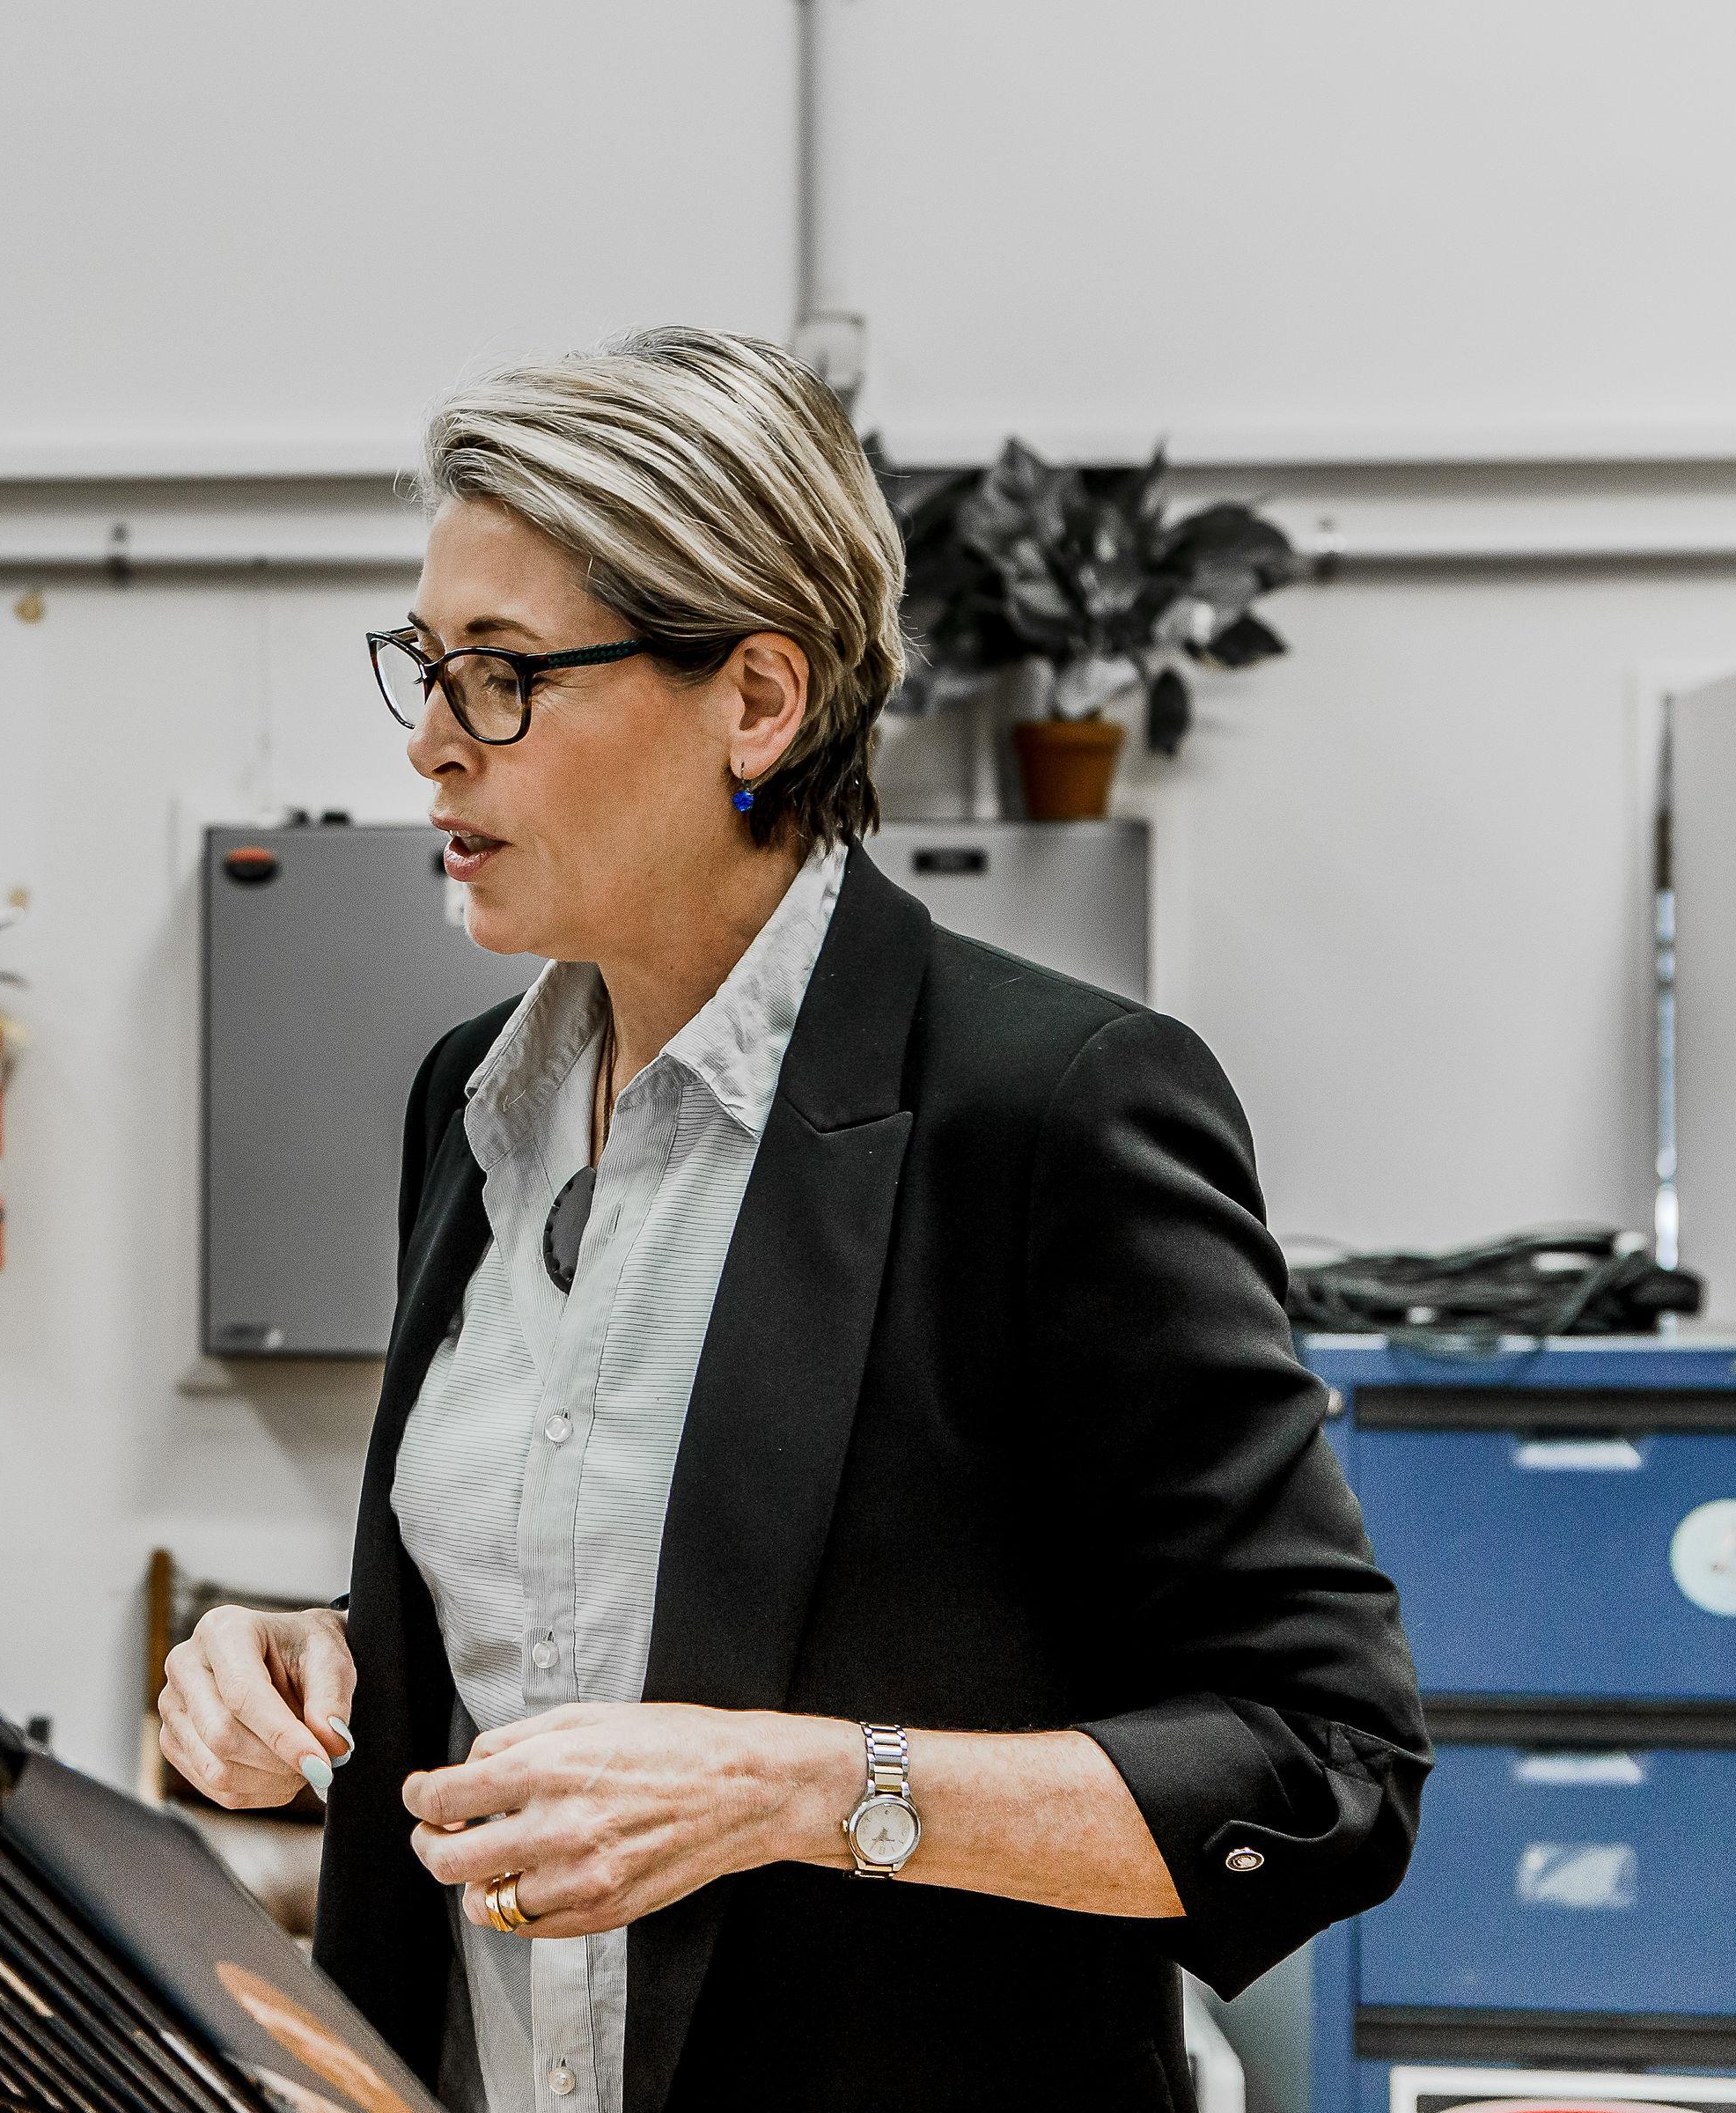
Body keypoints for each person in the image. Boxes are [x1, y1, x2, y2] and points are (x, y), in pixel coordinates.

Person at [157, 330, 1426, 2109]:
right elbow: (625, 1601)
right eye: (427, 669)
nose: (434, 747)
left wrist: (800, 1792)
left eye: (505, 677)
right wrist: (333, 1659)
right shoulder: (469, 1103)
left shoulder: (1051, 1111)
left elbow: (1321, 1768)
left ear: (758, 700)